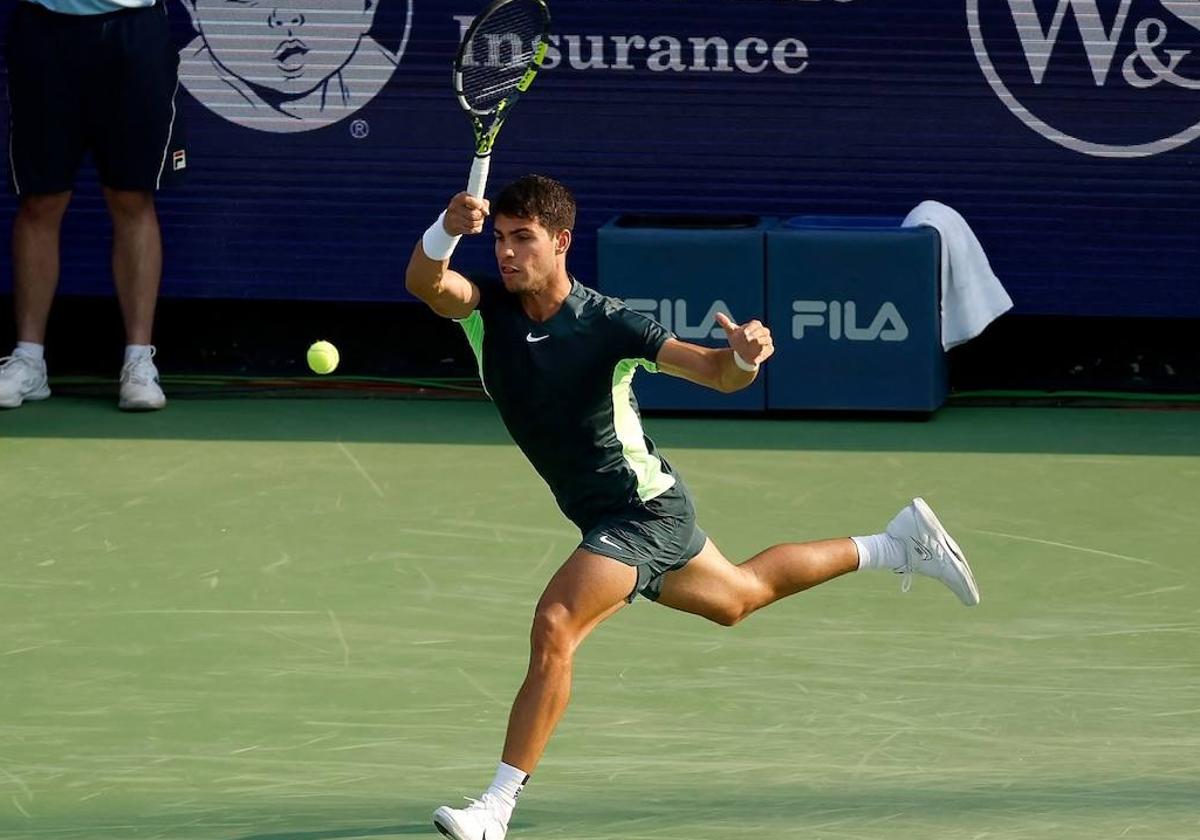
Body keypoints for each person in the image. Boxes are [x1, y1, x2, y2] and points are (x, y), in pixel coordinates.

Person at [405, 175, 980, 840]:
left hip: (643, 513)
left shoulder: (609, 322)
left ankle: (496, 807)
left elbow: (714, 373)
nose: (507, 253)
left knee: (556, 624)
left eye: (523, 239)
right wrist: (448, 228)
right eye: (500, 239)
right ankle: (894, 544)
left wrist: (743, 359)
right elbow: (427, 281)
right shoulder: (486, 313)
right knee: (738, 597)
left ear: (560, 242)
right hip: (607, 516)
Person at [2, 0, 185, 411]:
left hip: (133, 30)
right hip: (43, 29)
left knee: (131, 196)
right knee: (41, 200)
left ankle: (138, 362)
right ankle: (29, 361)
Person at [178, 0, 400, 133]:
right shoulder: (168, 87)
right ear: (192, 9)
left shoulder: (379, 74)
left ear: (369, 7)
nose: (285, 16)